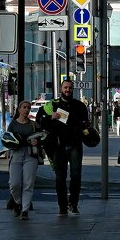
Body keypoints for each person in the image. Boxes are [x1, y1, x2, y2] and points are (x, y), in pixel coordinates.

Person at [37, 78, 91, 214]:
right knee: (60, 177)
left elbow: (85, 124)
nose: (68, 90)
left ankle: (74, 204)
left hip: (75, 145)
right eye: (65, 87)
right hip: (58, 146)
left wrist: (83, 126)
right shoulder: (52, 105)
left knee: (76, 175)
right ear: (61, 89)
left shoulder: (80, 105)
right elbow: (40, 120)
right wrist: (51, 117)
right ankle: (62, 206)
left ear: (73, 89)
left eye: (70, 88)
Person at [5, 100, 43, 219]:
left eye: (28, 108)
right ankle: (18, 203)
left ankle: (25, 210)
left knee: (28, 183)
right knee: (14, 184)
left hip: (30, 155)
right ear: (19, 109)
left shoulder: (33, 124)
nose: (27, 110)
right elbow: (7, 139)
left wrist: (37, 141)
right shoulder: (13, 124)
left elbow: (41, 136)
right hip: (16, 154)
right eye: (24, 107)